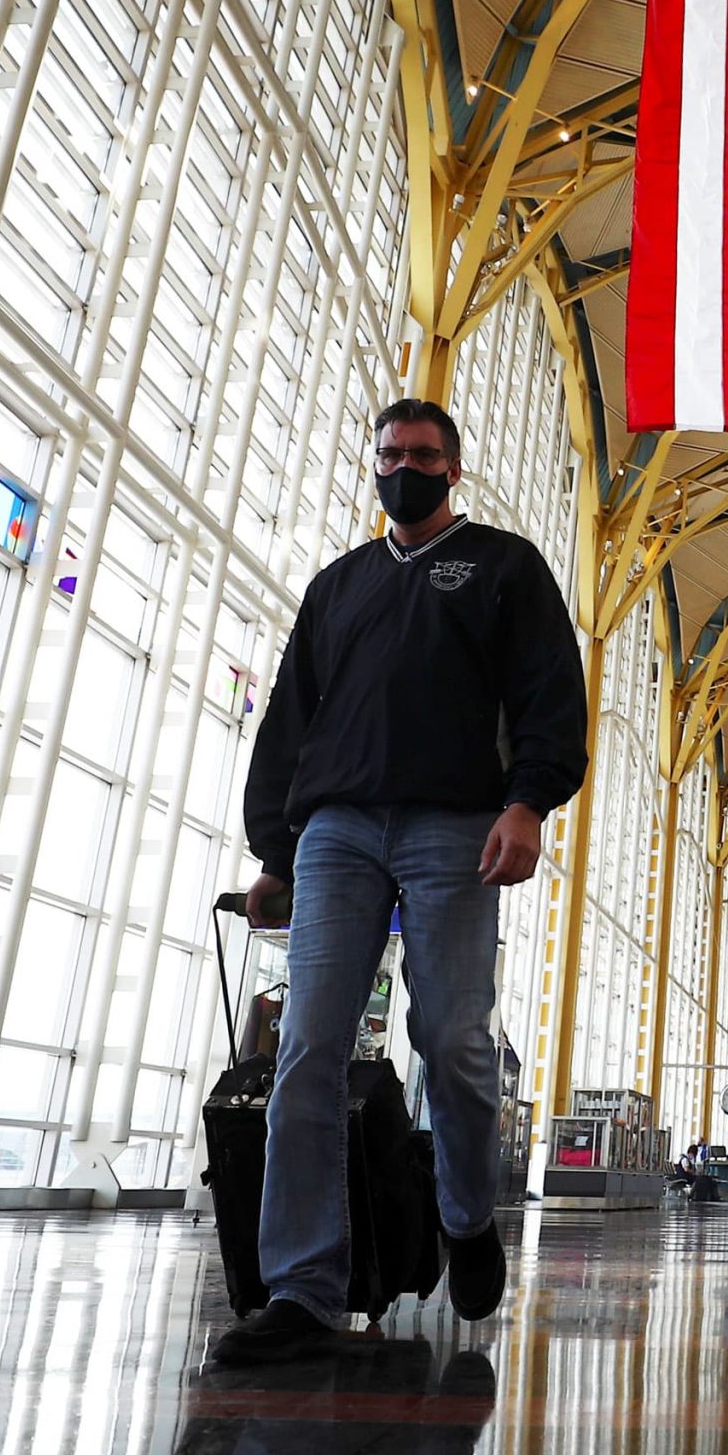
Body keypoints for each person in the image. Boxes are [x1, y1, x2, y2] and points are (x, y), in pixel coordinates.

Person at [213, 398, 588, 1365]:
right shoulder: (338, 586)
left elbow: (549, 690)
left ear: (453, 469)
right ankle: (302, 1285)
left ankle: (465, 1213)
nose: (404, 469)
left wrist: (527, 801)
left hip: (454, 825)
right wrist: (275, 853)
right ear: (373, 463)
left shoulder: (503, 567)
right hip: (337, 829)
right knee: (307, 1047)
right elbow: (290, 720)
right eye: (390, 454)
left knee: (453, 1038)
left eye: (423, 456)